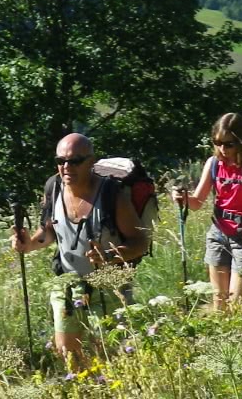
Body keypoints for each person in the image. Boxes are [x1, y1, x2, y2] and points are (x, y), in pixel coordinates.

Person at [11, 133, 149, 370]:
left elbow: (140, 242)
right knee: (68, 355)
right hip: (67, 286)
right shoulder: (54, 187)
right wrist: (28, 244)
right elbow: (49, 232)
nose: (66, 167)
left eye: (75, 161)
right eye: (61, 160)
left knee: (112, 357)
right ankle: (84, 397)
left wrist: (109, 257)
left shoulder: (111, 195)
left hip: (108, 287)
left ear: (91, 162)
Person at [171, 113, 242, 311]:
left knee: (237, 304)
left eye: (229, 144)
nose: (222, 149)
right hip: (218, 233)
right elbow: (197, 202)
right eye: (217, 143)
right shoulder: (213, 164)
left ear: (240, 141)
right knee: (219, 300)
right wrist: (182, 198)